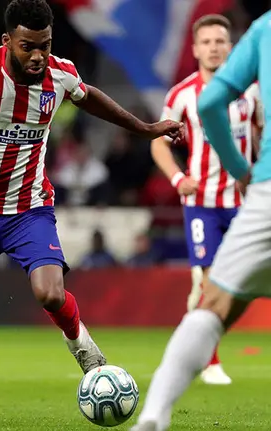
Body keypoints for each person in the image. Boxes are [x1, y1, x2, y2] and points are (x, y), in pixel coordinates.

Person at [0, 0, 184, 426]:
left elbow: (91, 98)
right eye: (28, 47)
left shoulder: (59, 73)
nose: (38, 55)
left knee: (51, 293)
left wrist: (146, 128)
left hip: (29, 207)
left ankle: (88, 354)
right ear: (8, 42)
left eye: (44, 45)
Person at [132, 11, 271, 431]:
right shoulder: (181, 94)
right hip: (207, 203)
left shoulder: (255, 68)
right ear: (195, 48)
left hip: (253, 197)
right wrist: (178, 178)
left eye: (220, 41)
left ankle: (155, 413)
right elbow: (160, 140)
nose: (214, 47)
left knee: (216, 301)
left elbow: (252, 126)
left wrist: (245, 171)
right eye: (207, 42)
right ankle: (210, 363)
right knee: (205, 282)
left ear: (232, 46)